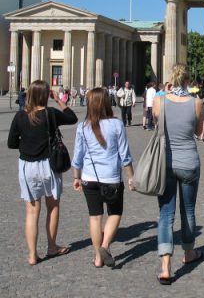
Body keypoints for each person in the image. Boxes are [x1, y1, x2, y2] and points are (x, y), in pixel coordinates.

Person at [7, 80, 78, 265]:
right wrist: (59, 101)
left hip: (27, 166)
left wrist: (27, 143)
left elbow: (11, 143)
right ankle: (52, 247)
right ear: (46, 95)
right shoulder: (51, 113)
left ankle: (32, 255)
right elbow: (72, 118)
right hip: (48, 165)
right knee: (52, 207)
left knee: (31, 212)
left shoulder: (20, 116)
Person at [153, 64, 204, 284]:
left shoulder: (159, 101)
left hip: (165, 162)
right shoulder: (197, 103)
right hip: (189, 163)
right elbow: (199, 133)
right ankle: (189, 253)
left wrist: (166, 93)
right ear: (188, 80)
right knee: (188, 211)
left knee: (166, 215)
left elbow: (157, 125)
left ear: (170, 80)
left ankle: (165, 267)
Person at [71, 87, 134, 268]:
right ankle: (105, 246)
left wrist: (77, 177)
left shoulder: (82, 127)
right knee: (114, 213)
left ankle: (98, 258)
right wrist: (131, 177)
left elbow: (78, 157)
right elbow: (125, 155)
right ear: (107, 102)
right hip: (112, 178)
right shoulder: (116, 124)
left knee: (95, 217)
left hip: (89, 178)